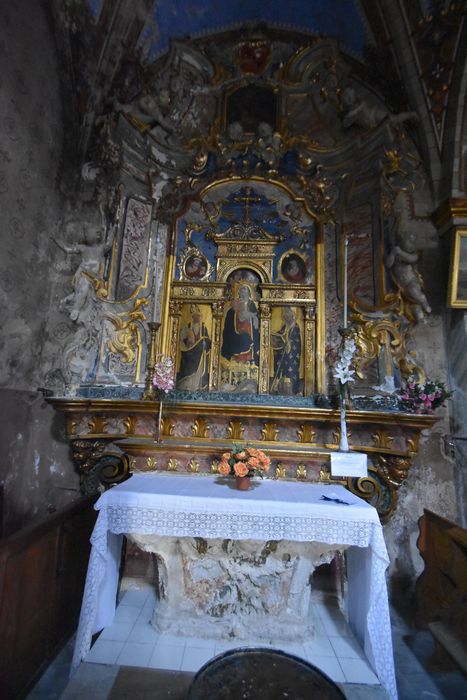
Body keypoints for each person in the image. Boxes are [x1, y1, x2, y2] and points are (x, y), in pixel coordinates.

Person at [52, 220, 113, 322]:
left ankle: (66, 301)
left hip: (95, 279)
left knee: (83, 294)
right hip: (84, 275)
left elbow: (108, 244)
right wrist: (56, 239)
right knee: (82, 290)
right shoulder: (83, 248)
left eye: (88, 232)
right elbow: (67, 248)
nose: (85, 235)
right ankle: (75, 309)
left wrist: (113, 231)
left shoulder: (100, 248)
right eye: (85, 233)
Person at [385, 230, 431, 323]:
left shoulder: (413, 255)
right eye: (408, 241)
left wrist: (399, 252)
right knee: (412, 303)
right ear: (402, 241)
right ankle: (420, 318)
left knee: (414, 292)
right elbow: (388, 264)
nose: (410, 244)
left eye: (412, 242)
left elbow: (410, 259)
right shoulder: (396, 252)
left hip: (411, 281)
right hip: (401, 285)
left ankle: (425, 303)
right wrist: (393, 253)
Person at [221, 284, 259, 365]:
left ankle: (250, 359)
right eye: (241, 289)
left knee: (247, 338)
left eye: (244, 289)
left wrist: (252, 317)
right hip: (236, 333)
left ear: (249, 292)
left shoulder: (252, 304)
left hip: (249, 332)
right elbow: (230, 320)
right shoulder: (234, 306)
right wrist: (236, 313)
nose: (243, 291)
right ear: (238, 292)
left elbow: (256, 316)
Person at [176, 305, 211, 391]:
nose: (198, 317)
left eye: (199, 316)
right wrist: (188, 342)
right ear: (193, 317)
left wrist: (204, 342)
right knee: (189, 371)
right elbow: (181, 339)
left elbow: (207, 340)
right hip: (190, 354)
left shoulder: (203, 328)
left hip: (200, 355)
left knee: (199, 371)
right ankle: (187, 386)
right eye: (196, 316)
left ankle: (198, 386)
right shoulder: (187, 327)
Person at [270, 307, 302, 395]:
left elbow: (296, 342)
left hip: (292, 355)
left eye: (287, 314)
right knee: (280, 366)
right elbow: (280, 334)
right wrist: (274, 338)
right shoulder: (285, 326)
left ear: (292, 315)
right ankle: (278, 387)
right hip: (283, 354)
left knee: (290, 368)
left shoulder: (295, 327)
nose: (285, 317)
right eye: (284, 315)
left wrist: (289, 344)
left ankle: (292, 388)